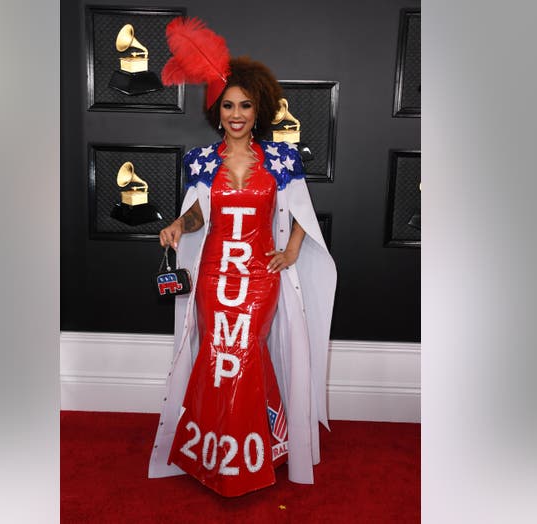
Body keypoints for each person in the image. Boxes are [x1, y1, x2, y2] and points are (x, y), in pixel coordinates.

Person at [147, 18, 336, 497]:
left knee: (246, 353)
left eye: (245, 105)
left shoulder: (281, 159)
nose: (236, 114)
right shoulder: (200, 160)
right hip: (214, 277)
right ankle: (210, 452)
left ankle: (255, 452)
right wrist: (177, 224)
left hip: (257, 278)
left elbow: (301, 213)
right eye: (228, 105)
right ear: (218, 109)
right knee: (215, 356)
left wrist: (291, 249)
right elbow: (196, 216)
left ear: (259, 109)